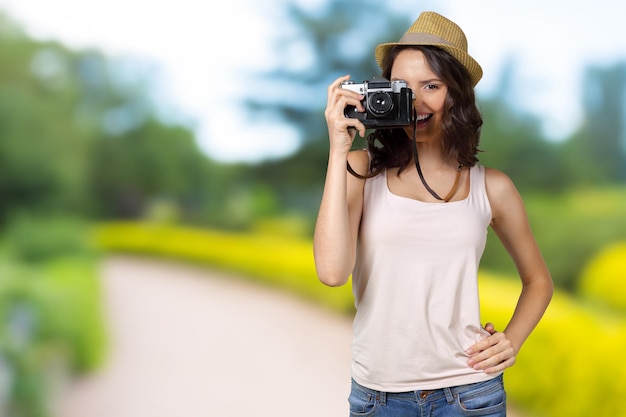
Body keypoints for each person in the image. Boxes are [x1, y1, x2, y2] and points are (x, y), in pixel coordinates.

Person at [313, 11, 553, 417]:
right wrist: (338, 150)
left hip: (470, 395)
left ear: (456, 94)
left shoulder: (492, 186)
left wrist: (511, 340)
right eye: (403, 87)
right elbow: (332, 273)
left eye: (432, 86)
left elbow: (538, 281)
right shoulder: (359, 169)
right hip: (378, 397)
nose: (416, 101)